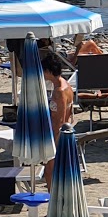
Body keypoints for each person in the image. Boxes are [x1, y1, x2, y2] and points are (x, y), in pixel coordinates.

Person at [40, 52, 74, 188]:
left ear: (48, 71)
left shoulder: (59, 91)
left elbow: (60, 118)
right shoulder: (65, 84)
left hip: (58, 134)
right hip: (63, 131)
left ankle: (52, 196)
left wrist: (53, 139)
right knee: (55, 169)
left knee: (50, 170)